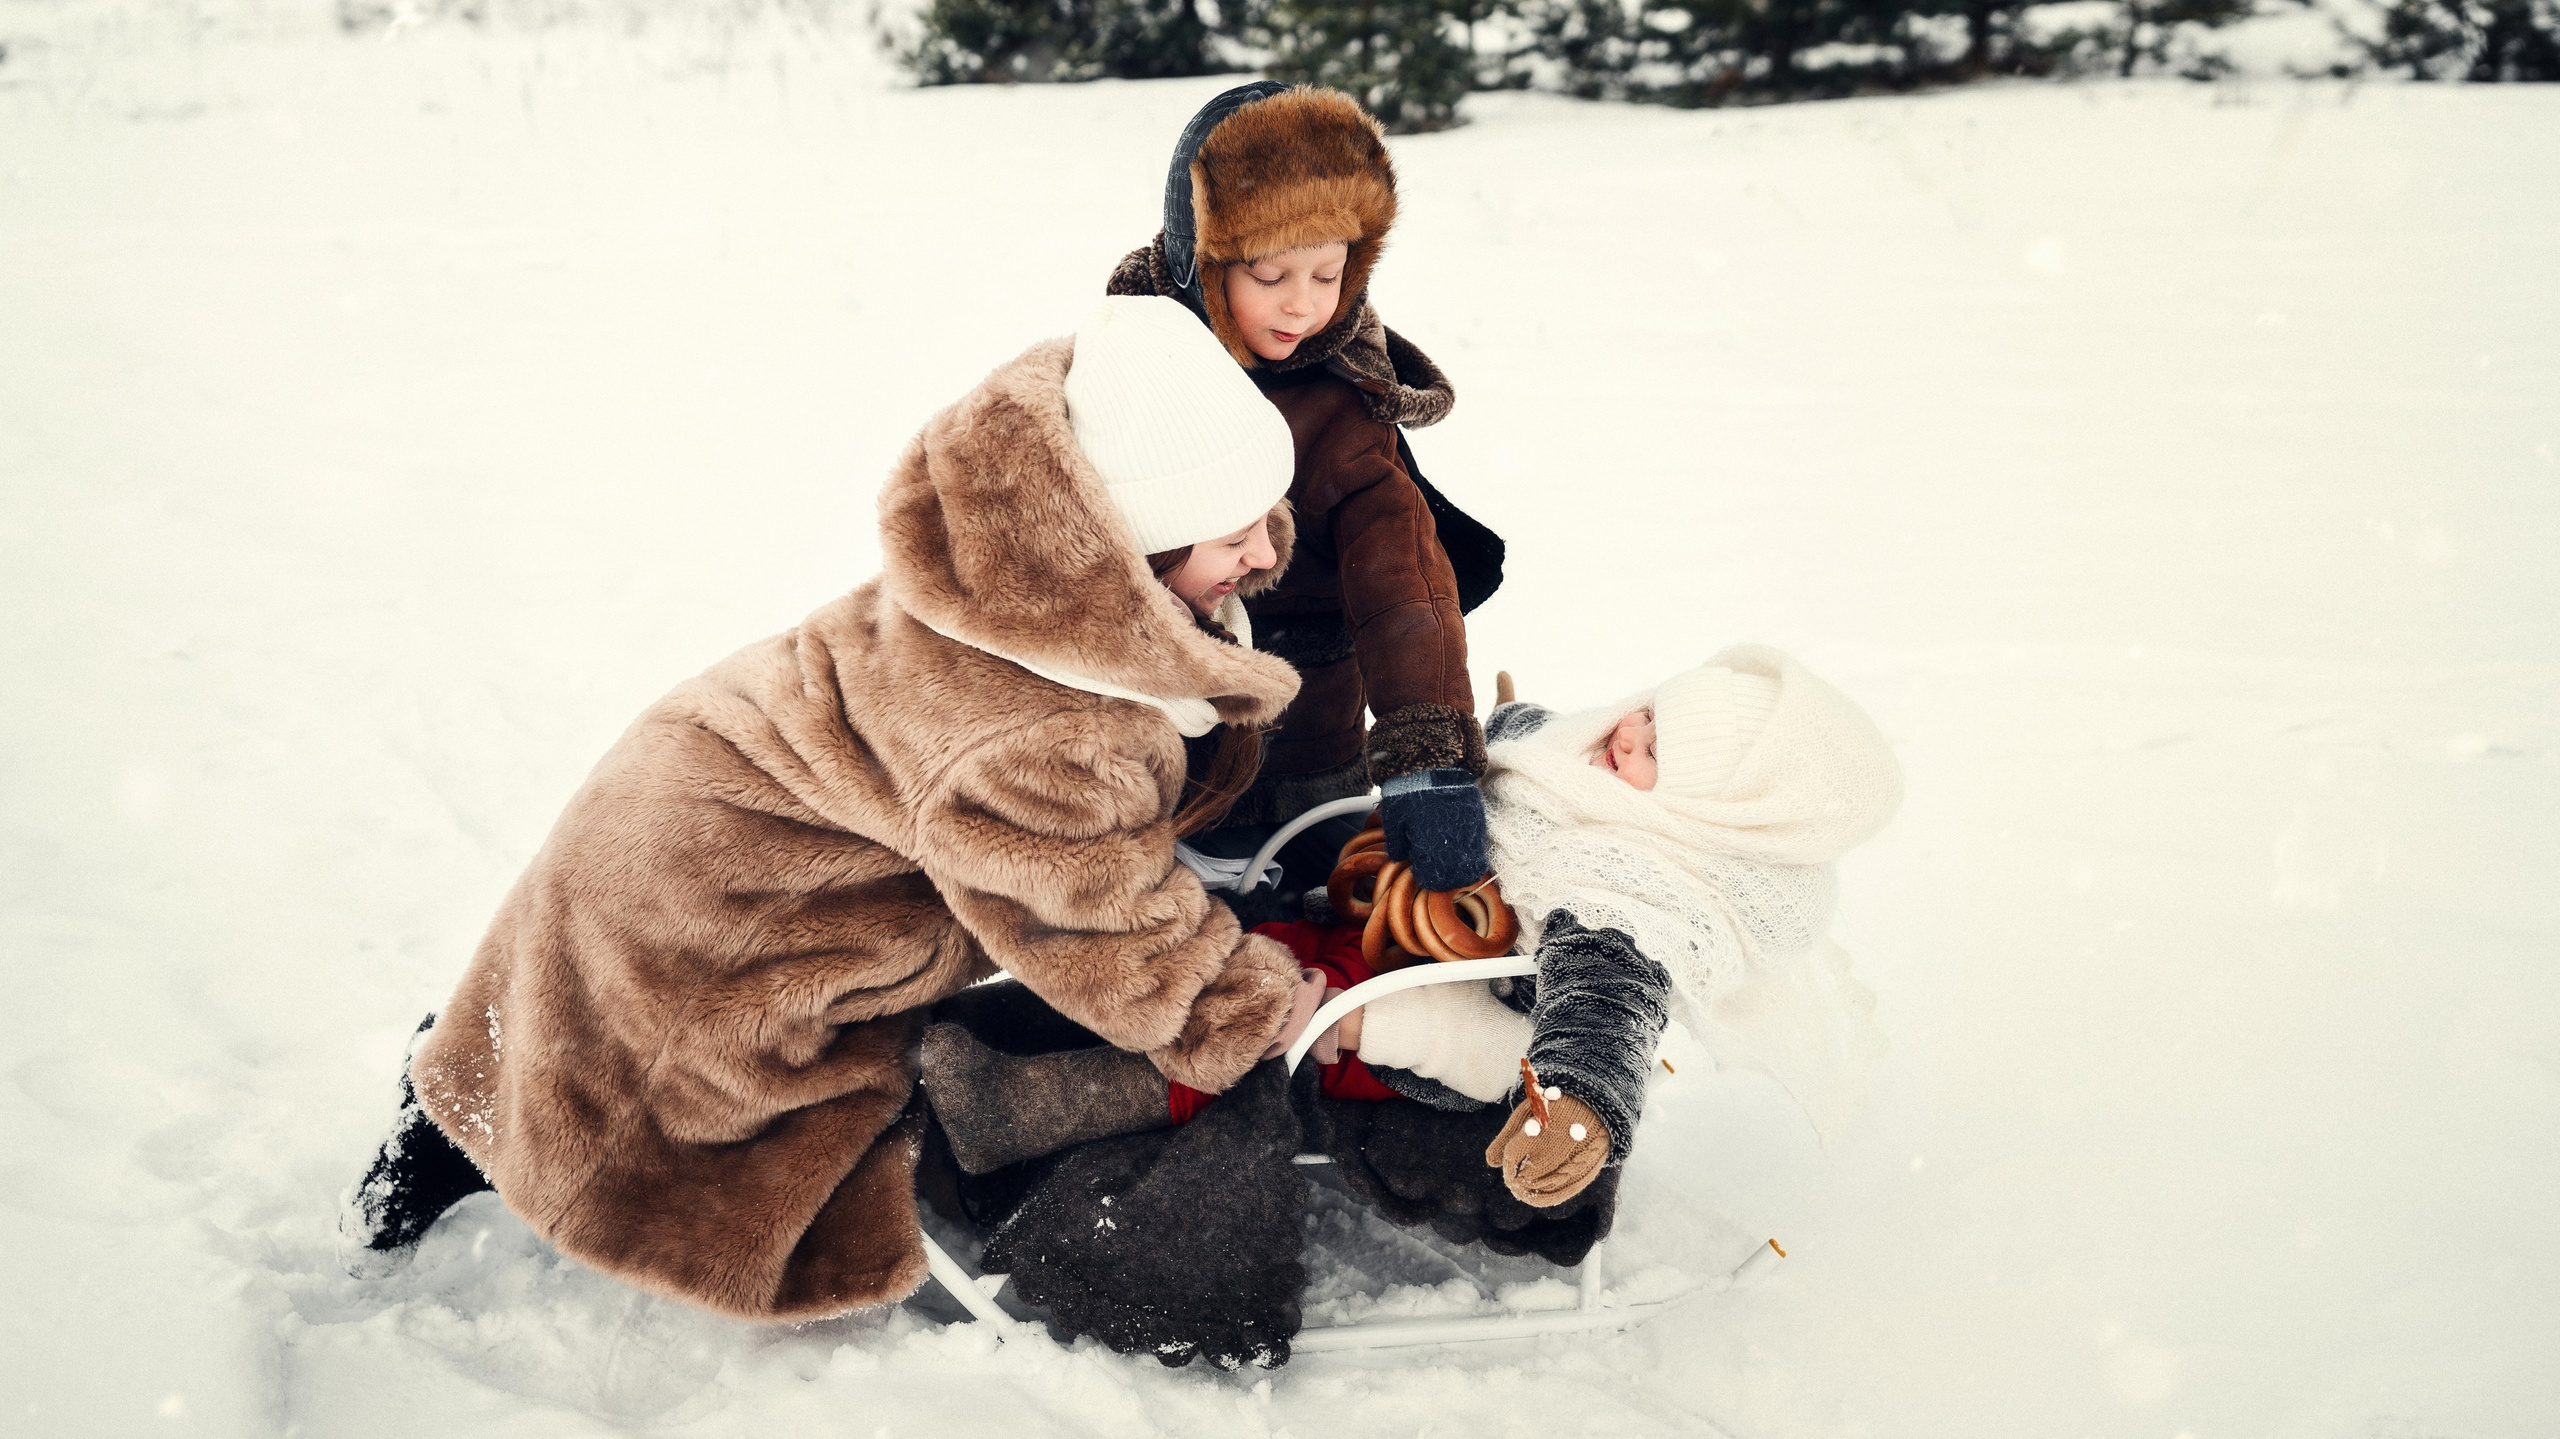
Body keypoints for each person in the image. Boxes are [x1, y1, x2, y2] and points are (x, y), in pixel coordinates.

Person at [339, 295, 1334, 1322]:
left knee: (581, 1014)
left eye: (1266, 518)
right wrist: (1244, 1004)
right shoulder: (1043, 731)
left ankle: (507, 1065)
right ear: (1132, 544)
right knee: (704, 1102)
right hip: (714, 908)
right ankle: (496, 1118)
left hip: (688, 800)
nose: (1266, 551)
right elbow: (1096, 925)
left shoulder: (1028, 581)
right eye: (1234, 534)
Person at [922, 647, 1901, 1211]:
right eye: (1644, 715)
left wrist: (1577, 1100)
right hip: (1378, 934)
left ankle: (1022, 1104)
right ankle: (1007, 1018)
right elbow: (1510, 745)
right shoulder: (1578, 764)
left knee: (1249, 1027)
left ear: (1713, 811)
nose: (1624, 739)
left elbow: (1601, 1009)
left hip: (1426, 1018)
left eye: (1659, 757)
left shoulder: (1634, 895)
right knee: (1201, 947)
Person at [1107, 82, 1505, 901]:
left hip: (1309, 748)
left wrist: (1427, 766)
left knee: (1318, 916)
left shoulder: (1339, 411)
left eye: (1329, 274)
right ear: (1201, 262)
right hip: (1154, 755)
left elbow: (1406, 589)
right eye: (1270, 272)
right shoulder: (1125, 373)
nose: (1304, 303)